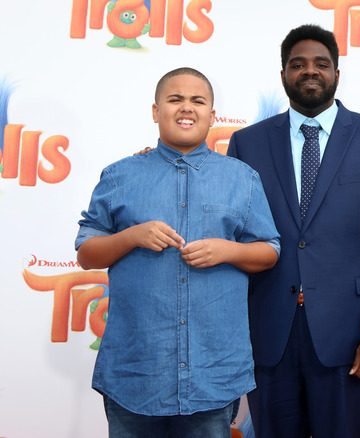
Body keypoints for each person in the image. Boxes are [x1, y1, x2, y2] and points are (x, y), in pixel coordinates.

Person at [226, 24, 360, 438]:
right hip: (269, 335)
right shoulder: (247, 143)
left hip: (351, 336)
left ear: (336, 74)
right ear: (283, 77)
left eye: (321, 64)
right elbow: (234, 240)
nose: (309, 72)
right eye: (298, 64)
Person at [75, 67, 280, 438]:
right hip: (136, 369)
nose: (186, 108)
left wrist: (228, 250)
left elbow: (270, 252)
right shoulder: (119, 176)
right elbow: (87, 254)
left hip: (213, 370)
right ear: (156, 111)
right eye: (175, 99)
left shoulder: (242, 178)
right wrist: (132, 236)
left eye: (197, 101)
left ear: (212, 116)